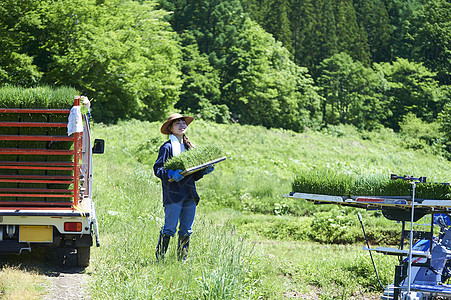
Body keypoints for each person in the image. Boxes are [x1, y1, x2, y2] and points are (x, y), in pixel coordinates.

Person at [153, 113, 214, 261]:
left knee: (186, 229)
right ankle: (159, 259)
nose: (182, 125)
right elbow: (158, 169)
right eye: (177, 123)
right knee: (169, 228)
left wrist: (204, 170)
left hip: (189, 194)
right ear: (171, 128)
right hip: (173, 194)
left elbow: (192, 174)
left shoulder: (189, 147)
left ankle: (182, 260)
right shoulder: (167, 147)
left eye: (183, 123)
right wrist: (171, 173)